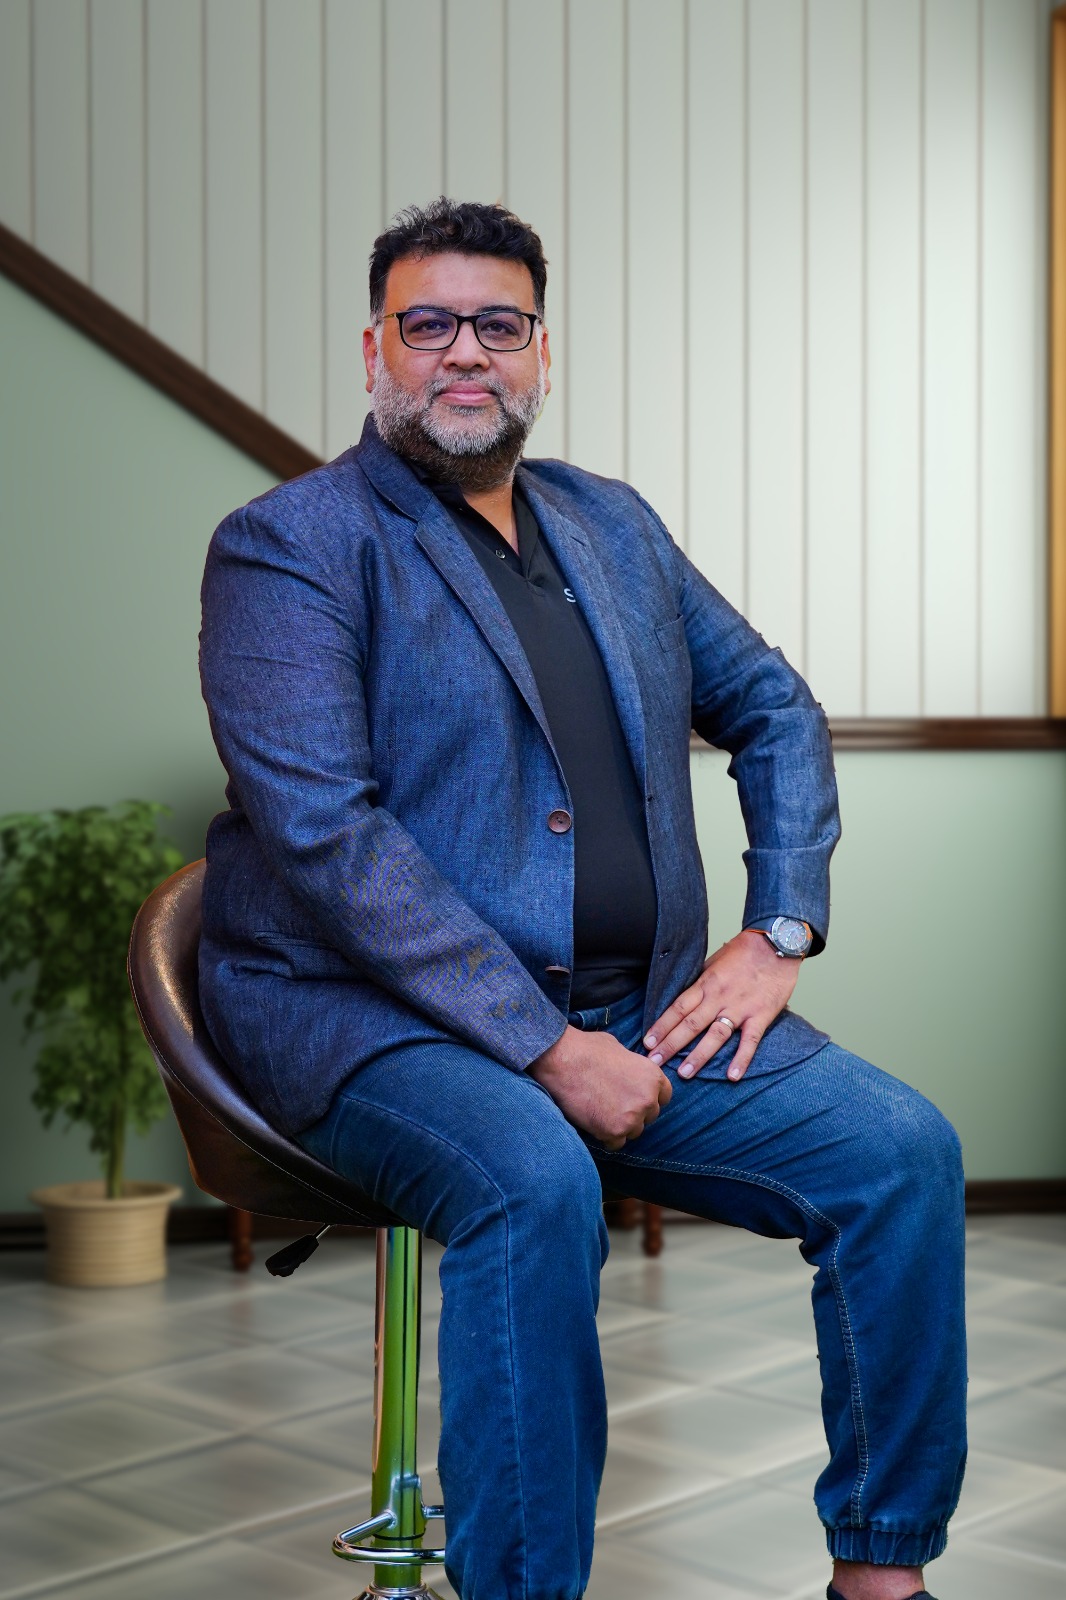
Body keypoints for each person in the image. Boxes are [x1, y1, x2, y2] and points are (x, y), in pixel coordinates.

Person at [198, 199, 965, 1600]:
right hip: (376, 1022)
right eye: (429, 324)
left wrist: (778, 929)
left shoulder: (611, 522)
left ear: (540, 351)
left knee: (902, 1153)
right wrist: (547, 1049)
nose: (465, 352)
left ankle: (881, 1572)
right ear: (374, 349)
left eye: (498, 324)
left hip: (637, 1007)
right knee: (534, 1178)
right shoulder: (289, 545)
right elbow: (325, 835)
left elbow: (776, 709)